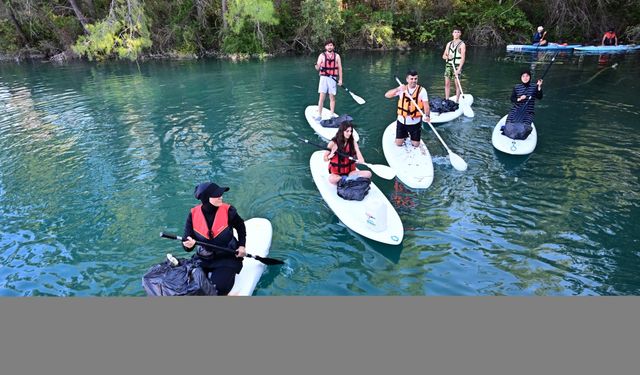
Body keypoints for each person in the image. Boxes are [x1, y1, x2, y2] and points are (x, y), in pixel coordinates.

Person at [181, 182, 246, 296]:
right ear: (206, 198)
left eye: (220, 194)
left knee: (217, 289)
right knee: (191, 287)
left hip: (227, 257)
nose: (221, 196)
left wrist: (241, 246)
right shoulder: (193, 214)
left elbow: (241, 227)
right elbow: (186, 241)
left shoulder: (228, 211)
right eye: (216, 195)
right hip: (203, 259)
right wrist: (187, 245)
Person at [384, 69, 431, 148]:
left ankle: (411, 136)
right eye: (411, 79)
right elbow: (387, 95)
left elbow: (426, 105)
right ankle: (404, 136)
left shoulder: (422, 91)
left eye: (415, 79)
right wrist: (398, 89)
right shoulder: (402, 89)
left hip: (415, 123)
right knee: (398, 143)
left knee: (416, 145)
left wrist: (427, 116)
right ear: (407, 79)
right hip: (402, 121)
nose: (414, 81)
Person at [324, 121, 372, 185]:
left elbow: (359, 154)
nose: (349, 133)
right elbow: (325, 159)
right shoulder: (333, 143)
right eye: (347, 131)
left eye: (351, 131)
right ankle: (347, 180)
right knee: (331, 179)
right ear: (342, 131)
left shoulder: (352, 141)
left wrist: (360, 160)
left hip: (350, 172)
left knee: (368, 174)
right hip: (337, 174)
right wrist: (330, 156)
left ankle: (347, 180)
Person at [503, 70, 543, 139]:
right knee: (508, 126)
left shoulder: (534, 87)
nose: (525, 78)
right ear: (521, 78)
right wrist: (519, 99)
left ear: (530, 77)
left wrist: (539, 87)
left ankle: (521, 133)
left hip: (528, 112)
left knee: (525, 129)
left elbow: (539, 97)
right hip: (516, 110)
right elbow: (512, 99)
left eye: (527, 76)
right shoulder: (517, 87)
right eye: (523, 76)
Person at [314, 39, 343, 121]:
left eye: (331, 45)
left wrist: (340, 80)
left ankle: (332, 114)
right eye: (328, 45)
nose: (329, 47)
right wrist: (317, 66)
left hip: (333, 78)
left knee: (332, 97)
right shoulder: (322, 55)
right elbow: (318, 67)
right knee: (321, 97)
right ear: (325, 47)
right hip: (324, 78)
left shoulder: (337, 56)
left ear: (333, 46)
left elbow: (340, 68)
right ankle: (319, 115)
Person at [442, 28, 466, 102]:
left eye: (458, 32)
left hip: (457, 66)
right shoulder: (449, 44)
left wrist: (459, 69)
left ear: (460, 34)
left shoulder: (462, 44)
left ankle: (457, 101)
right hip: (449, 65)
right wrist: (447, 56)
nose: (456, 33)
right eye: (455, 32)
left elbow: (463, 58)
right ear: (452, 33)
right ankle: (447, 99)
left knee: (457, 84)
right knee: (447, 83)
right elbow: (443, 56)